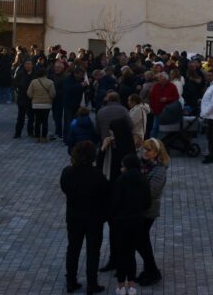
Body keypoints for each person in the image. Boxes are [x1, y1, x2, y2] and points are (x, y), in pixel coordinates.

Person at [60, 140, 109, 294]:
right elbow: (106, 193)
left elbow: (64, 189)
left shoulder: (67, 172)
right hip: (94, 218)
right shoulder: (97, 175)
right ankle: (92, 284)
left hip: (74, 216)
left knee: (73, 249)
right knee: (93, 251)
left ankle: (71, 281)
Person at [110, 153, 150, 295]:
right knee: (131, 252)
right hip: (137, 220)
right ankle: (132, 285)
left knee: (121, 252)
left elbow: (115, 202)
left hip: (121, 222)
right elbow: (147, 202)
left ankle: (121, 285)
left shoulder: (121, 180)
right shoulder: (143, 179)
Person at [134, 138, 169, 287]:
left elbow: (152, 191)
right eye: (144, 149)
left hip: (148, 210)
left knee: (141, 240)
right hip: (139, 208)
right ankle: (150, 270)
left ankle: (152, 271)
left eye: (149, 150)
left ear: (157, 153)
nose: (145, 152)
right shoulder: (143, 164)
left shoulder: (159, 170)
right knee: (141, 240)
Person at [28, 67, 56, 143]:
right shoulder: (50, 82)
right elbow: (53, 94)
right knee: (45, 121)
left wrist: (34, 98)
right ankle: (43, 137)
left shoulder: (33, 82)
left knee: (37, 121)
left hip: (36, 104)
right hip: (46, 104)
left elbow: (29, 94)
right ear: (45, 74)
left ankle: (37, 137)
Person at [13, 59, 35, 139]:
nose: (27, 66)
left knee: (31, 117)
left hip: (31, 98)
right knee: (20, 117)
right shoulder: (20, 73)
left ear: (32, 65)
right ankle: (17, 133)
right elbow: (15, 83)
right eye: (26, 64)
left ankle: (30, 132)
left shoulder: (35, 74)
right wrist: (19, 88)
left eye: (29, 64)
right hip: (22, 98)